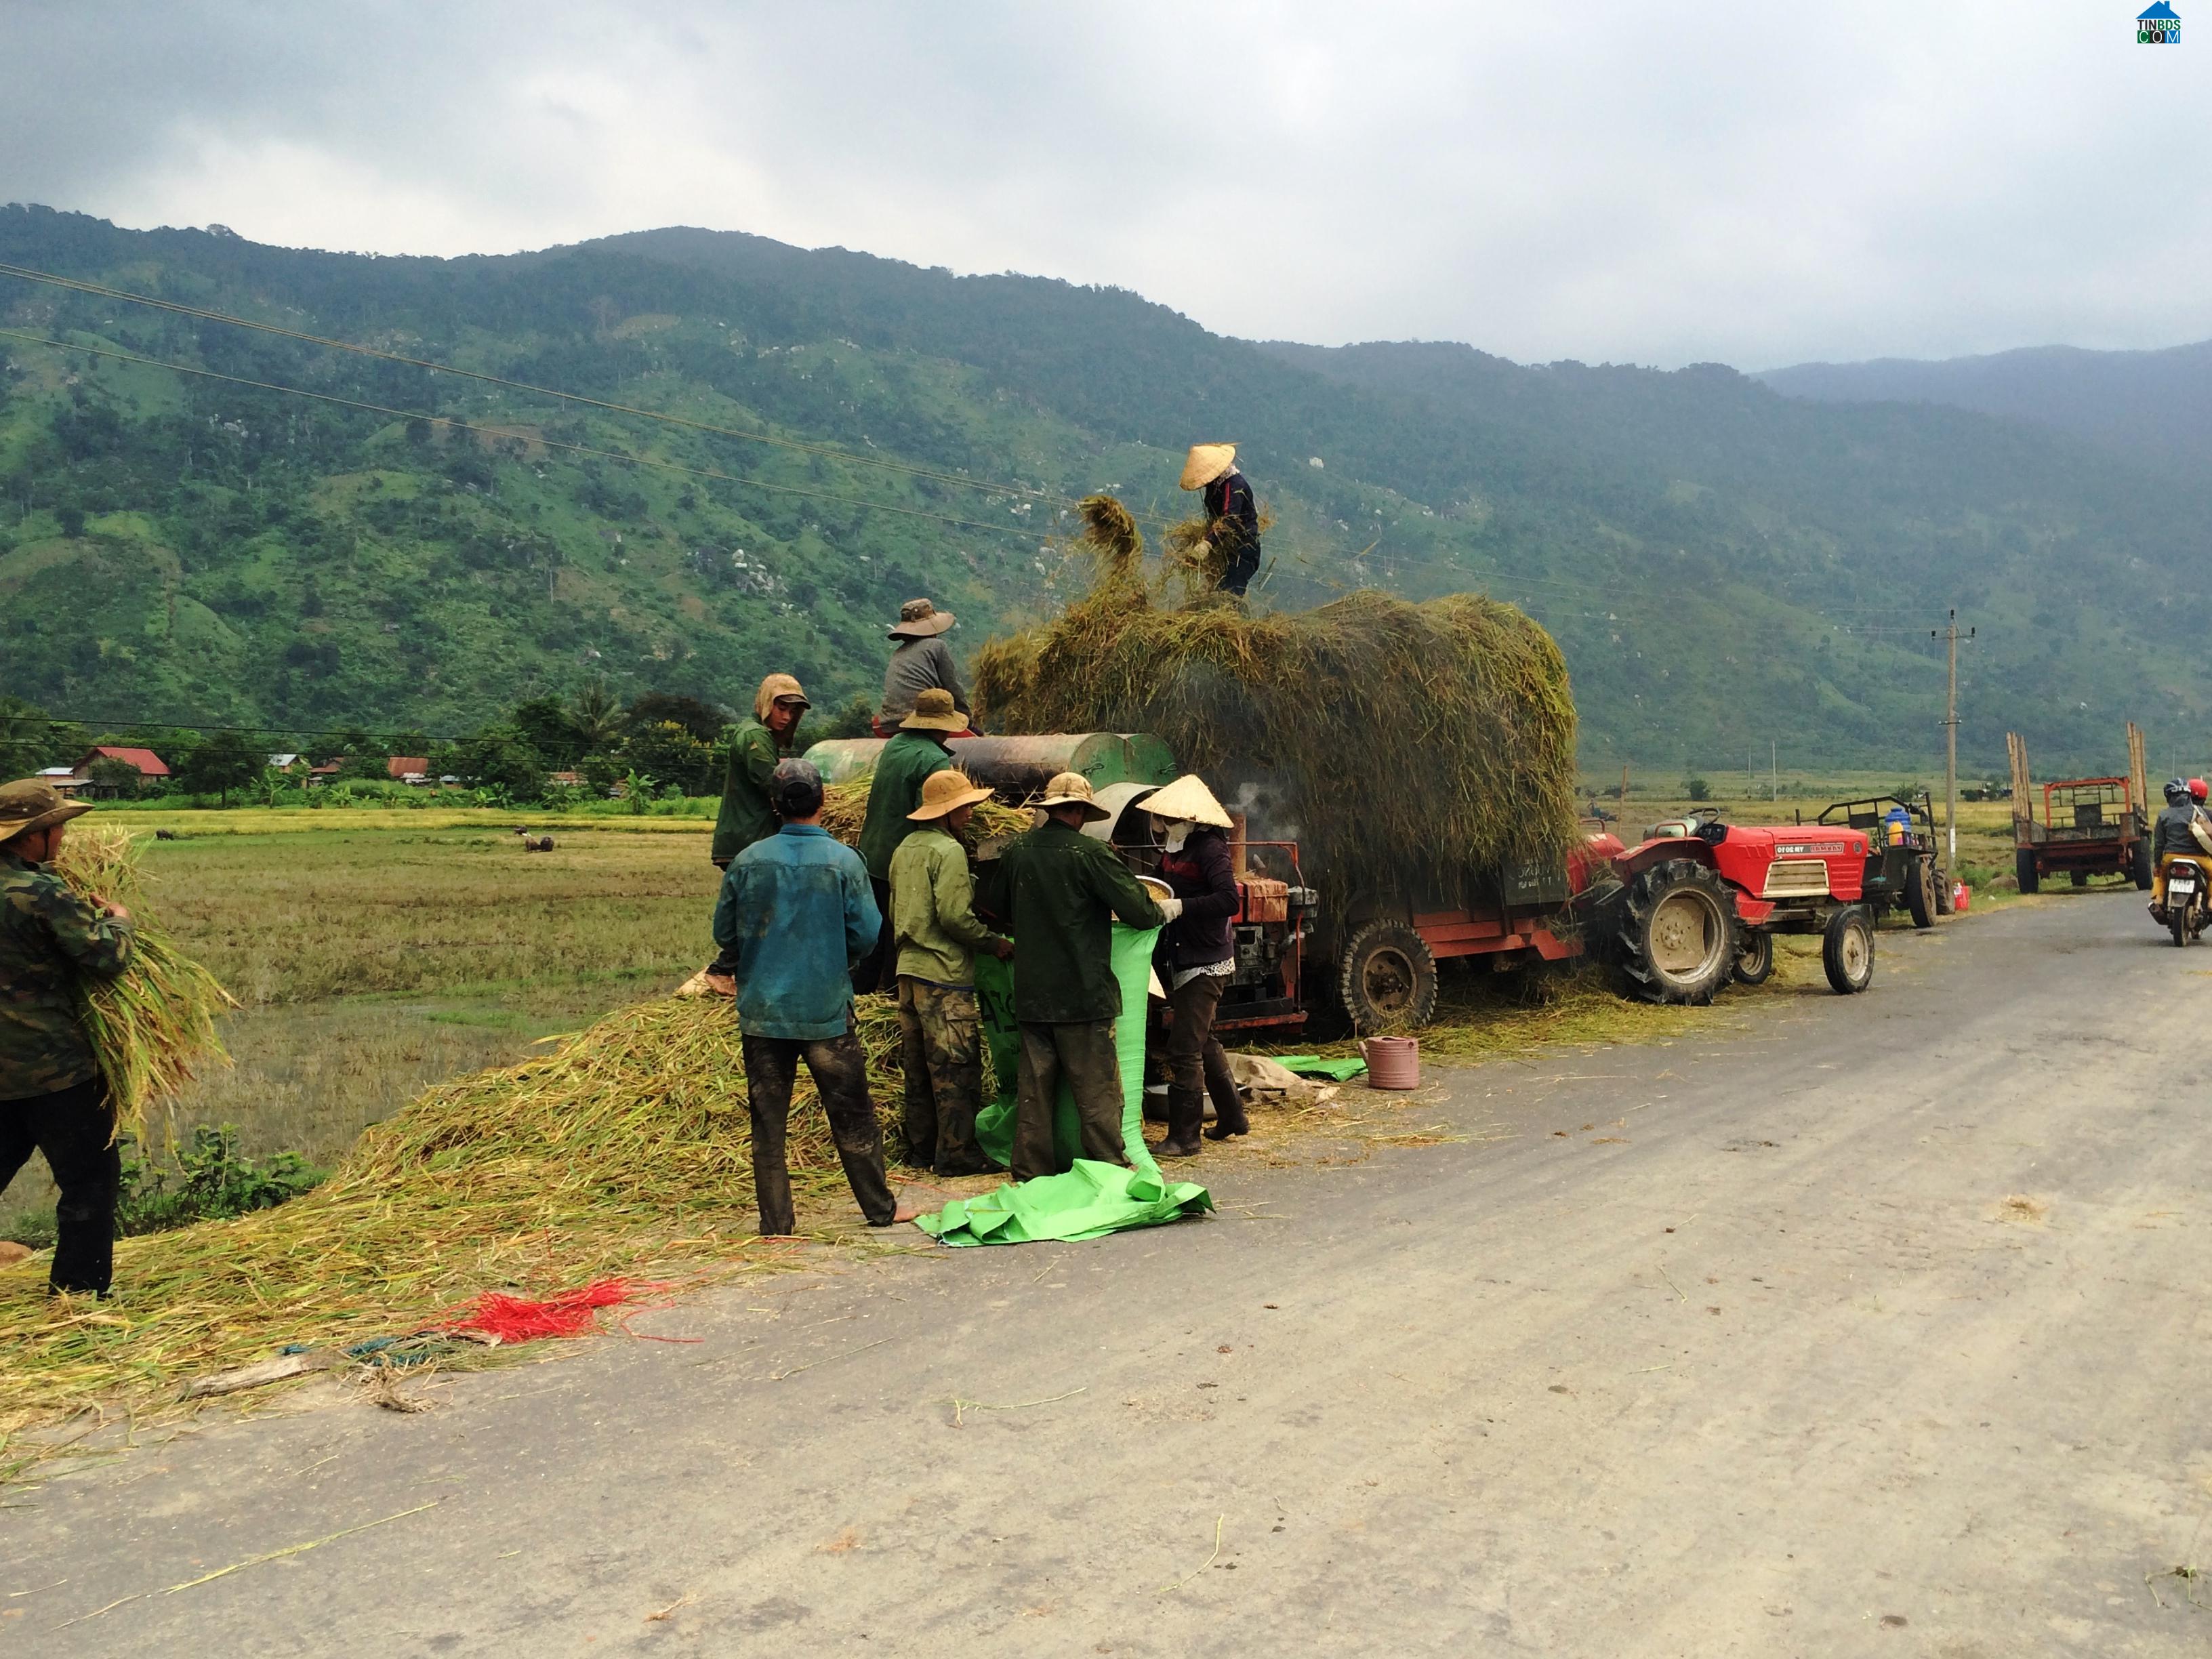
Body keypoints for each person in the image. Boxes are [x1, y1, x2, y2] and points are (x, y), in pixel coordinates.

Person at [712, 758, 916, 1237]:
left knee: (768, 1122)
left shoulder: (747, 862)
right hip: (826, 1009)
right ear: (824, 801)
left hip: (763, 1013)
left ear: (774, 806)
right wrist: (832, 958)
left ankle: (777, 1223)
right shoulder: (846, 861)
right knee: (853, 1115)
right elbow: (868, 935)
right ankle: (879, 1209)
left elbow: (725, 933)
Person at [979, 772, 1170, 1182]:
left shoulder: (1017, 851)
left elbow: (995, 906)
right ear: (1082, 811)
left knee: (1035, 1091)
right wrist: (1164, 912)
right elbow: (1141, 911)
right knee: (1096, 1088)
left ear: (1050, 809)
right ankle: (1109, 1167)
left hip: (1032, 992)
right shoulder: (1092, 854)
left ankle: (1030, 1171)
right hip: (1084, 993)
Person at [0, 779, 135, 1296]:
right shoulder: (41, 893)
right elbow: (106, 960)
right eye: (56, 828)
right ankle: (78, 1295)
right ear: (32, 837)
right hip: (54, 1069)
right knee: (88, 1181)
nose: (61, 837)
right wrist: (122, 923)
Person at [888, 769, 1012, 1176]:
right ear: (949, 810)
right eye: (966, 806)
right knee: (955, 1067)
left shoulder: (905, 847)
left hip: (908, 971)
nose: (972, 812)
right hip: (944, 973)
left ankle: (922, 1150)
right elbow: (955, 917)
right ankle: (957, 1155)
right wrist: (992, 941)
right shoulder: (949, 851)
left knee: (920, 1068)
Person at [1141, 775, 1248, 1158]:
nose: (1164, 824)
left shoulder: (1210, 849)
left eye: (1170, 818)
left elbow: (1228, 901)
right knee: (1204, 1040)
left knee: (1184, 1048)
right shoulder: (1174, 848)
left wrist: (1182, 907)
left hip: (1206, 959)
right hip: (1182, 953)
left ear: (1189, 818)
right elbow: (1159, 883)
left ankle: (1185, 1137)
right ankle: (1234, 1117)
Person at [703, 674, 811, 996]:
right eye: (781, 707)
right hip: (748, 838)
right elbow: (775, 784)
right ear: (766, 704)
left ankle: (749, 973)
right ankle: (722, 969)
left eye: (793, 711)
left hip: (752, 837)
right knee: (755, 908)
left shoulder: (759, 736)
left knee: (762, 906)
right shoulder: (754, 738)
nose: (787, 717)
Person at [852, 687, 963, 993]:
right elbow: (932, 815)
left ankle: (860, 995)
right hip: (902, 861)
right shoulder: (935, 761)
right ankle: (892, 998)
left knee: (875, 937)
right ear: (944, 725)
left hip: (872, 853)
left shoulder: (895, 745)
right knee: (900, 938)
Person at [876, 599, 973, 736]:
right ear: (932, 628)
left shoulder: (898, 653)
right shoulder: (937, 646)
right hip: (923, 721)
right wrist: (968, 721)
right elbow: (953, 687)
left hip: (889, 723)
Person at [1179, 443, 1262, 598]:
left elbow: (1229, 520)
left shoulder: (1234, 485)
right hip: (1225, 550)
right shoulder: (1216, 486)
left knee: (1230, 595)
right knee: (1216, 593)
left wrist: (1208, 543)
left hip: (1242, 550)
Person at [2149, 777, 2212, 912]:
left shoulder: (2163, 815)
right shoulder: (2198, 811)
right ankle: (2211, 901)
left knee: (2160, 876)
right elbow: (2208, 832)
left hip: (2171, 858)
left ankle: (2159, 899)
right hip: (2199, 859)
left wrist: (2158, 865)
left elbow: (2159, 844)